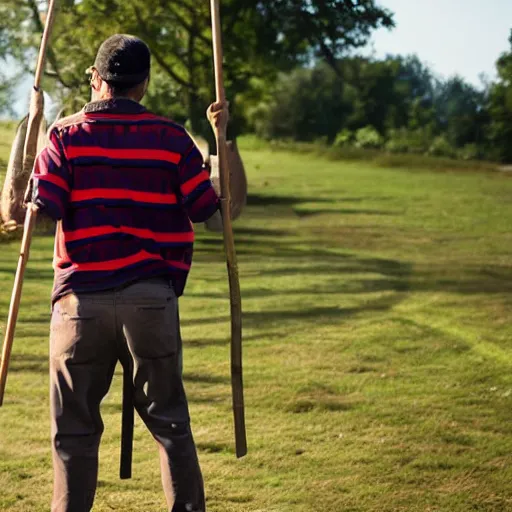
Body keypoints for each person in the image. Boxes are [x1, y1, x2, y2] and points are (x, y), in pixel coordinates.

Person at [30, 34, 226, 512]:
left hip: (80, 305)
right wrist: (223, 138)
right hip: (151, 302)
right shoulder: (172, 138)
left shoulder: (64, 136)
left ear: (97, 79)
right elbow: (212, 211)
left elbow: (39, 215)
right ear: (143, 85)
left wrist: (33, 131)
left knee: (73, 432)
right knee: (171, 426)